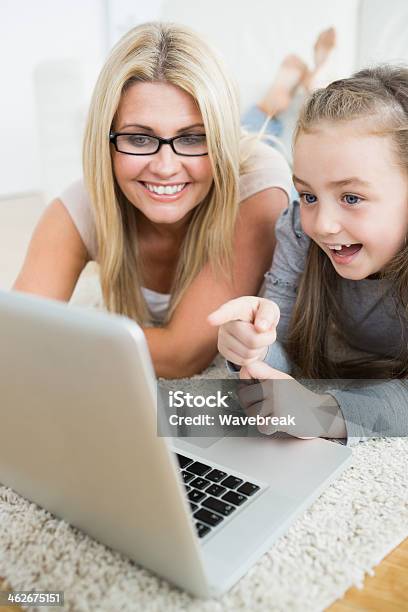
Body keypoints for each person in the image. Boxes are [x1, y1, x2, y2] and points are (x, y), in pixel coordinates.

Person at [13, 22, 293, 378]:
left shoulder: (259, 189)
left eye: (192, 138)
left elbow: (181, 356)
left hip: (251, 159)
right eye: (139, 139)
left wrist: (56, 341)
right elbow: (17, 337)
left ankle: (278, 97)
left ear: (220, 141)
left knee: (266, 128)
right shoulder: (80, 206)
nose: (164, 167)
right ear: (107, 139)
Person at [209, 65, 408, 445]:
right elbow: (279, 343)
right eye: (309, 195)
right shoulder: (299, 226)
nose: (323, 225)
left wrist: (323, 413)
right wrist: (254, 346)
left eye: (351, 197)